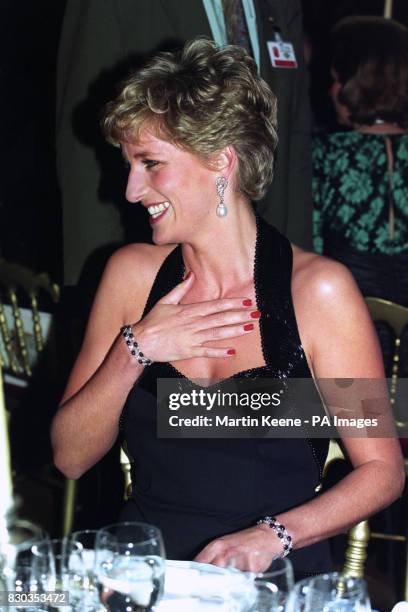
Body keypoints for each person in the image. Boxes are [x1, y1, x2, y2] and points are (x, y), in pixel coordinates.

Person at [51, 39, 404, 578]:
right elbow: (70, 456)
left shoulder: (317, 294)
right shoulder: (131, 275)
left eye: (150, 164)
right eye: (128, 165)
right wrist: (137, 350)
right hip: (145, 573)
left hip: (272, 575)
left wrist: (274, 536)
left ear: (221, 160)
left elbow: (382, 471)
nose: (129, 189)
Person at [57, 0, 312, 286]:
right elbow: (81, 152)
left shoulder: (283, 6)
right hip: (153, 261)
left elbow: (296, 140)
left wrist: (296, 267)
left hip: (269, 259)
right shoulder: (128, 276)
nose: (132, 190)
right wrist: (92, 283)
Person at [312, 16, 408, 310]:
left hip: (349, 315)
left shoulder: (326, 154)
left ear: (359, 83)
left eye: (337, 79)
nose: (331, 90)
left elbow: (308, 245)